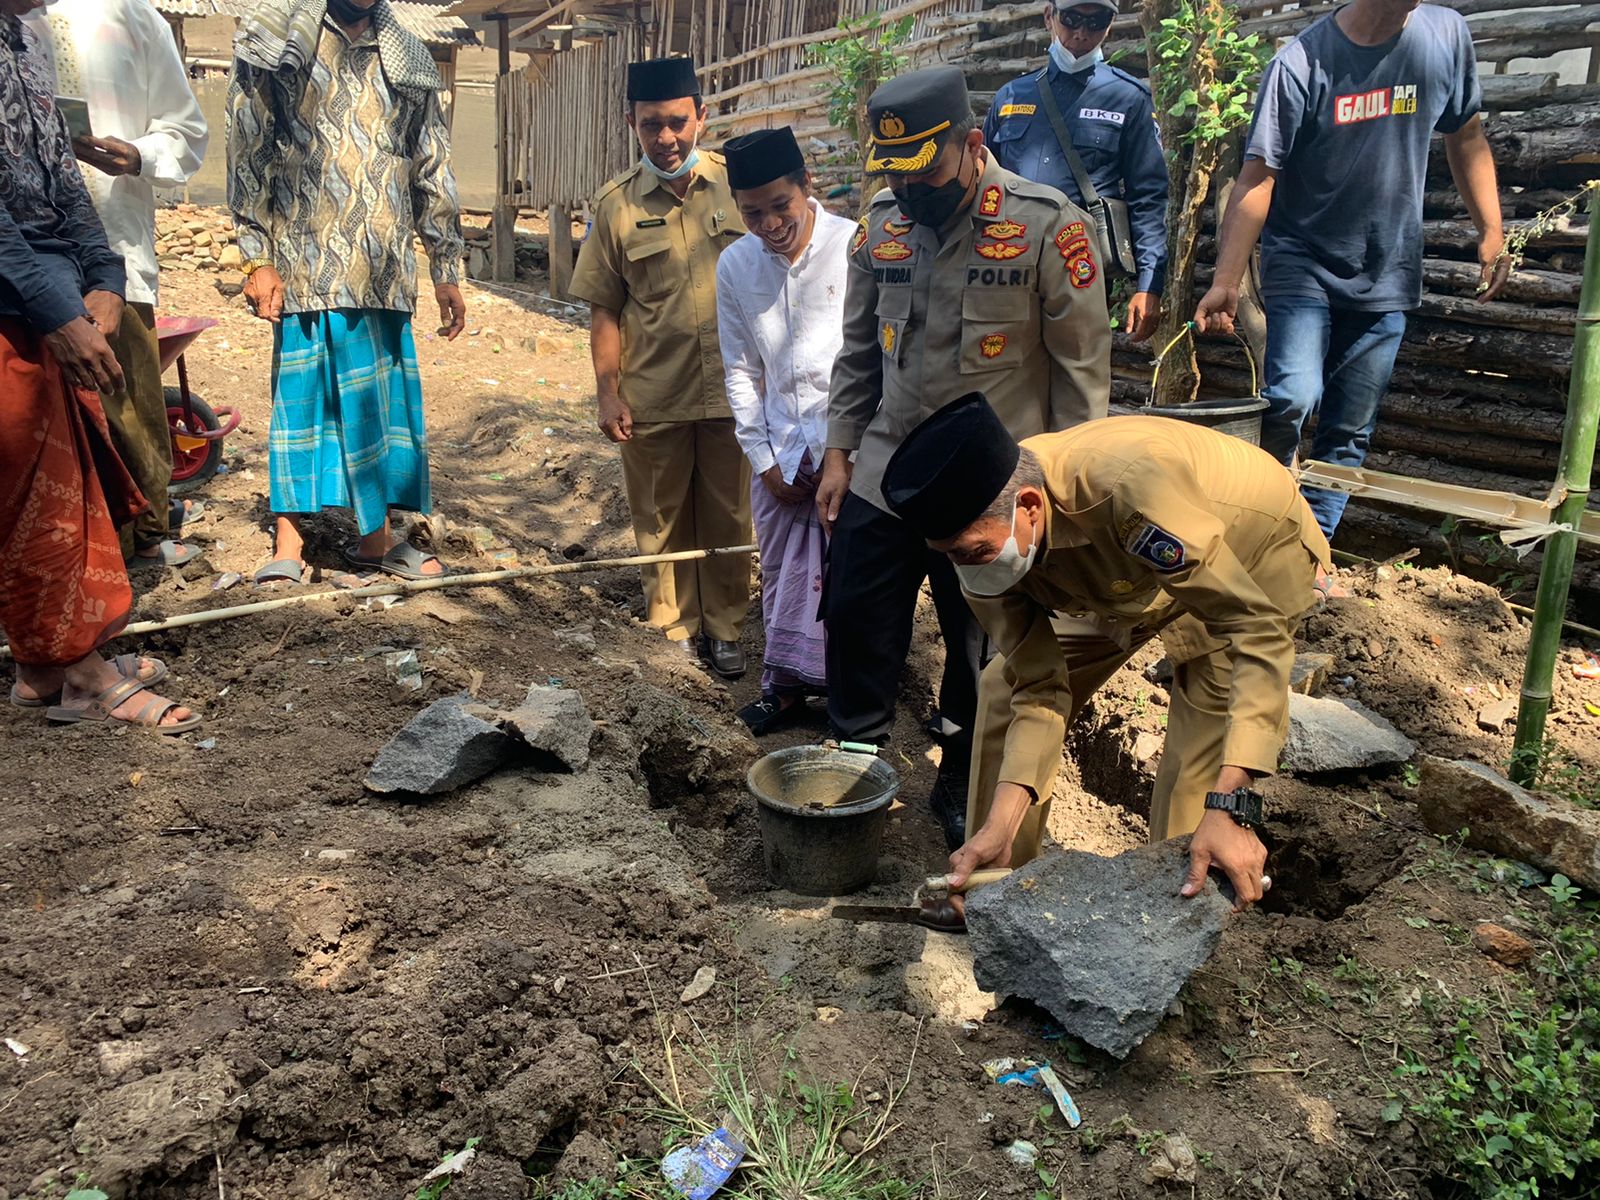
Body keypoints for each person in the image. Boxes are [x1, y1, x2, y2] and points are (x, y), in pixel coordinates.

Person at [881, 395, 1330, 928]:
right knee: (1004, 688)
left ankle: (1177, 916)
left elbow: (1254, 628)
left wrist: (1233, 804)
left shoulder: (1128, 487)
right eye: (949, 554)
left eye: (973, 552)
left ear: (1028, 507)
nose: (964, 569)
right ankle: (992, 879)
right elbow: (1039, 684)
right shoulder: (979, 550)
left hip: (1247, 552)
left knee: (1201, 746)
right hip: (1122, 577)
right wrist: (1005, 820)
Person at [817, 64, 1111, 849]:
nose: (912, 192)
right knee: (852, 614)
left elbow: (1082, 378)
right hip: (886, 467)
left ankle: (961, 777)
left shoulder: (1050, 226)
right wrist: (840, 450)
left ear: (971, 143)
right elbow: (856, 355)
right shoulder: (882, 224)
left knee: (982, 646)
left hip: (991, 482)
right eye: (896, 176)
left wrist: (1064, 497)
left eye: (927, 171)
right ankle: (854, 759)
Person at [1195, 0, 1506, 547]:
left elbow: (1467, 135)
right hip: (1303, 257)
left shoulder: (1445, 35)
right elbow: (1257, 177)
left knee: (1349, 427)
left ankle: (1310, 555)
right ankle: (1252, 526)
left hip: (1388, 263)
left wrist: (1491, 228)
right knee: (1292, 394)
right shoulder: (1301, 63)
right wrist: (1226, 281)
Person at [1, 0, 200, 735]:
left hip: (48, 292)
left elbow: (59, 170)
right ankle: (82, 674)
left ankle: (44, 665)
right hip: (15, 298)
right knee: (34, 498)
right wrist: (59, 309)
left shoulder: (26, 34)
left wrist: (104, 280)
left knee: (57, 487)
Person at [228, 0, 466, 586]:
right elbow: (248, 151)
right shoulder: (274, 39)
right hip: (303, 262)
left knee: (375, 409)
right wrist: (256, 254)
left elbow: (430, 164)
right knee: (300, 407)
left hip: (380, 267)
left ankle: (374, 540)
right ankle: (289, 541)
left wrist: (445, 263)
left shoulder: (409, 57)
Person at [570, 57, 753, 679]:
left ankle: (726, 626)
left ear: (701, 115)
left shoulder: (739, 187)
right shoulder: (616, 207)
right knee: (660, 514)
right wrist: (607, 393)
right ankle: (673, 627)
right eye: (651, 125)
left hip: (736, 393)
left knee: (731, 512)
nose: (667, 138)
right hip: (654, 394)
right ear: (632, 123)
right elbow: (604, 310)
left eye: (678, 122)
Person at [26, 0, 210, 570]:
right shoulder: (13, 20)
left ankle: (139, 544)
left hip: (113, 246)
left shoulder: (136, 18)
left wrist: (139, 155)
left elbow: (186, 129)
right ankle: (51, 556)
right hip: (20, 255)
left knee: (125, 405)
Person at [715, 127, 854, 734]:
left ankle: (853, 698)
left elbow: (871, 362)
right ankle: (786, 690)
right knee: (781, 574)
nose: (770, 224)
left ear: (807, 187)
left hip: (848, 453)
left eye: (780, 206)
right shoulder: (735, 266)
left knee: (852, 578)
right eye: (752, 213)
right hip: (779, 453)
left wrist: (843, 457)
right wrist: (764, 460)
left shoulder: (854, 248)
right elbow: (741, 369)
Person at [983, 0, 1169, 342]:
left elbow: (1149, 196)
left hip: (1081, 272)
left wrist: (1149, 284)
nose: (1082, 33)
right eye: (1071, 19)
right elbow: (981, 188)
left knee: (1079, 380)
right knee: (1001, 376)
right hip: (1005, 266)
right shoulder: (1010, 97)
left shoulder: (1128, 98)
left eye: (1096, 21)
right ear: (1049, 16)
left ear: (1110, 25)